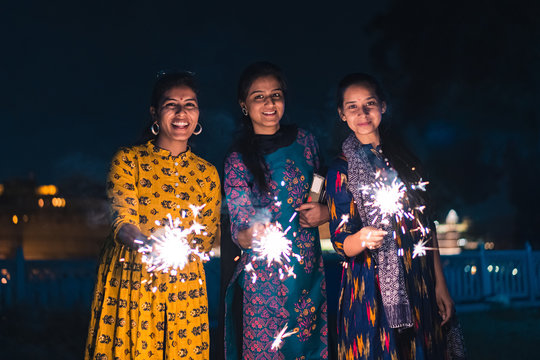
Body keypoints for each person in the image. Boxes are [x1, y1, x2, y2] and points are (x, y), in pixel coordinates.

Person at [85, 72, 221, 360]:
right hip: (133, 282)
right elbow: (122, 222)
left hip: (183, 291)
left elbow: (205, 239)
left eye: (190, 104)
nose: (182, 113)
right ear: (155, 113)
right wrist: (148, 244)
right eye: (172, 104)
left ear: (198, 113)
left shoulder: (207, 173)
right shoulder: (128, 159)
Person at [326, 73, 457, 359]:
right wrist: (362, 238)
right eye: (352, 106)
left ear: (383, 106)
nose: (362, 113)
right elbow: (340, 242)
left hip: (418, 279)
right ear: (342, 114)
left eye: (369, 103)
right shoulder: (341, 169)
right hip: (371, 290)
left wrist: (440, 285)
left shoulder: (405, 160)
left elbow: (427, 226)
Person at [222, 62, 329, 359]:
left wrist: (325, 212)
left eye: (275, 95)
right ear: (244, 105)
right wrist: (252, 234)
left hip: (309, 278)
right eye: (258, 96)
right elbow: (239, 232)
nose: (269, 103)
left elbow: (325, 190)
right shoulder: (238, 159)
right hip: (265, 286)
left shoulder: (307, 142)